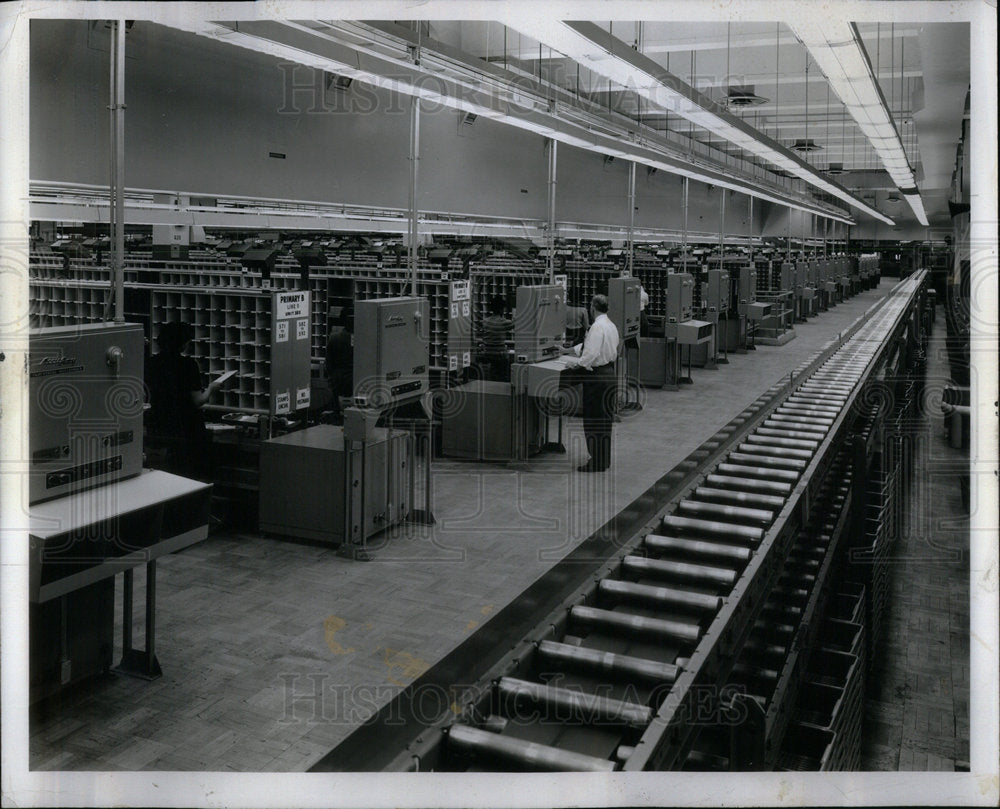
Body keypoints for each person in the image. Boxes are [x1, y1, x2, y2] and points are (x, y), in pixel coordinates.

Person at [145, 321, 225, 481]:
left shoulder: (151, 363)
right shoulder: (188, 365)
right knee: (190, 473)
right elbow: (197, 400)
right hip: (186, 427)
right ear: (182, 343)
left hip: (160, 424)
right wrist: (211, 388)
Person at [562, 293, 621, 472]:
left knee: (593, 420)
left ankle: (595, 462)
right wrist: (567, 349)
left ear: (592, 308)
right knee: (605, 421)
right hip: (610, 374)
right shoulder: (610, 325)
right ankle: (604, 460)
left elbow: (591, 353)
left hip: (597, 378)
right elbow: (591, 347)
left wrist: (577, 363)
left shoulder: (596, 327)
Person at [325, 307, 354, 424]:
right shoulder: (363, 339)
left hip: (338, 379)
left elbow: (328, 362)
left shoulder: (334, 337)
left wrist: (332, 377)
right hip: (355, 378)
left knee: (337, 410)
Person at [479, 295, 513, 382]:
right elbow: (517, 323)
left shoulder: (484, 321)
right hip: (500, 354)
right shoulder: (504, 322)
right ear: (502, 309)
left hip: (487, 352)